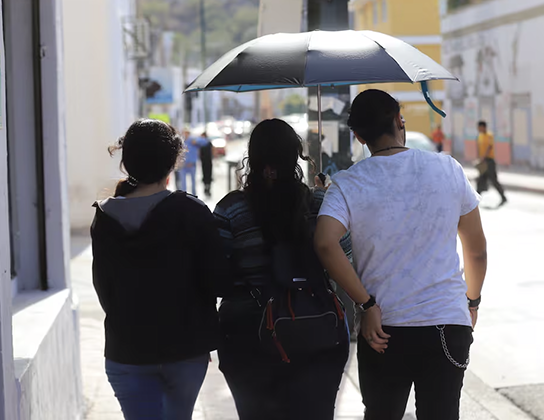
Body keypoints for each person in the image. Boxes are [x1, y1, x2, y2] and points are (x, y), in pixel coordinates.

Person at [314, 89, 488, 420]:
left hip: (384, 328)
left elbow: (325, 243)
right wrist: (472, 301)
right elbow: (476, 250)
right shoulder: (447, 168)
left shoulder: (348, 183)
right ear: (399, 121)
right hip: (446, 323)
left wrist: (365, 304)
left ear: (358, 136)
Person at [90, 119, 228, 420]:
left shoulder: (104, 215)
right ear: (173, 162)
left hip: (126, 349)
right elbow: (217, 281)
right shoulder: (191, 211)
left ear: (126, 163)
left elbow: (104, 288)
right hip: (185, 349)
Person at [213, 119, 350, 420]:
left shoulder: (230, 209)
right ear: (296, 156)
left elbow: (214, 274)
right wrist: (328, 201)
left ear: (253, 157)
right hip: (317, 326)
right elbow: (348, 256)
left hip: (246, 334)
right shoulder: (319, 204)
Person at [476, 121, 507, 206]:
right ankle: (475, 199)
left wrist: (484, 157)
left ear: (483, 127)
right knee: (480, 179)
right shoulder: (480, 136)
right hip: (483, 161)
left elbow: (489, 147)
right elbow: (479, 148)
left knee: (493, 180)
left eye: (479, 127)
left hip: (489, 161)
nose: (478, 129)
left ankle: (503, 197)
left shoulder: (489, 135)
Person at [179, 128, 200, 195]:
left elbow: (203, 142)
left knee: (193, 181)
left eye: (186, 133)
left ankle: (194, 195)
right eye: (184, 133)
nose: (185, 135)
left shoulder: (193, 141)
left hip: (192, 164)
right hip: (183, 165)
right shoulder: (181, 142)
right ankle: (183, 195)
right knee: (183, 182)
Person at [197, 131, 213, 197]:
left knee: (208, 175)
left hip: (208, 161)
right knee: (205, 174)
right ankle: (206, 187)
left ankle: (208, 188)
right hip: (204, 161)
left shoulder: (208, 143)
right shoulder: (203, 144)